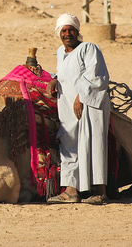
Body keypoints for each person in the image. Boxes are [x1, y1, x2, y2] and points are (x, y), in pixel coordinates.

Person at [46, 13, 110, 204]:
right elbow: (67, 73)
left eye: (71, 30)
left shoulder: (89, 48)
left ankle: (100, 192)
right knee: (69, 144)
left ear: (77, 31)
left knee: (94, 143)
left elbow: (96, 76)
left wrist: (80, 97)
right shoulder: (60, 52)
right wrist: (54, 79)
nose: (68, 34)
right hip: (67, 108)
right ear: (59, 33)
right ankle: (71, 190)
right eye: (64, 30)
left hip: (90, 105)